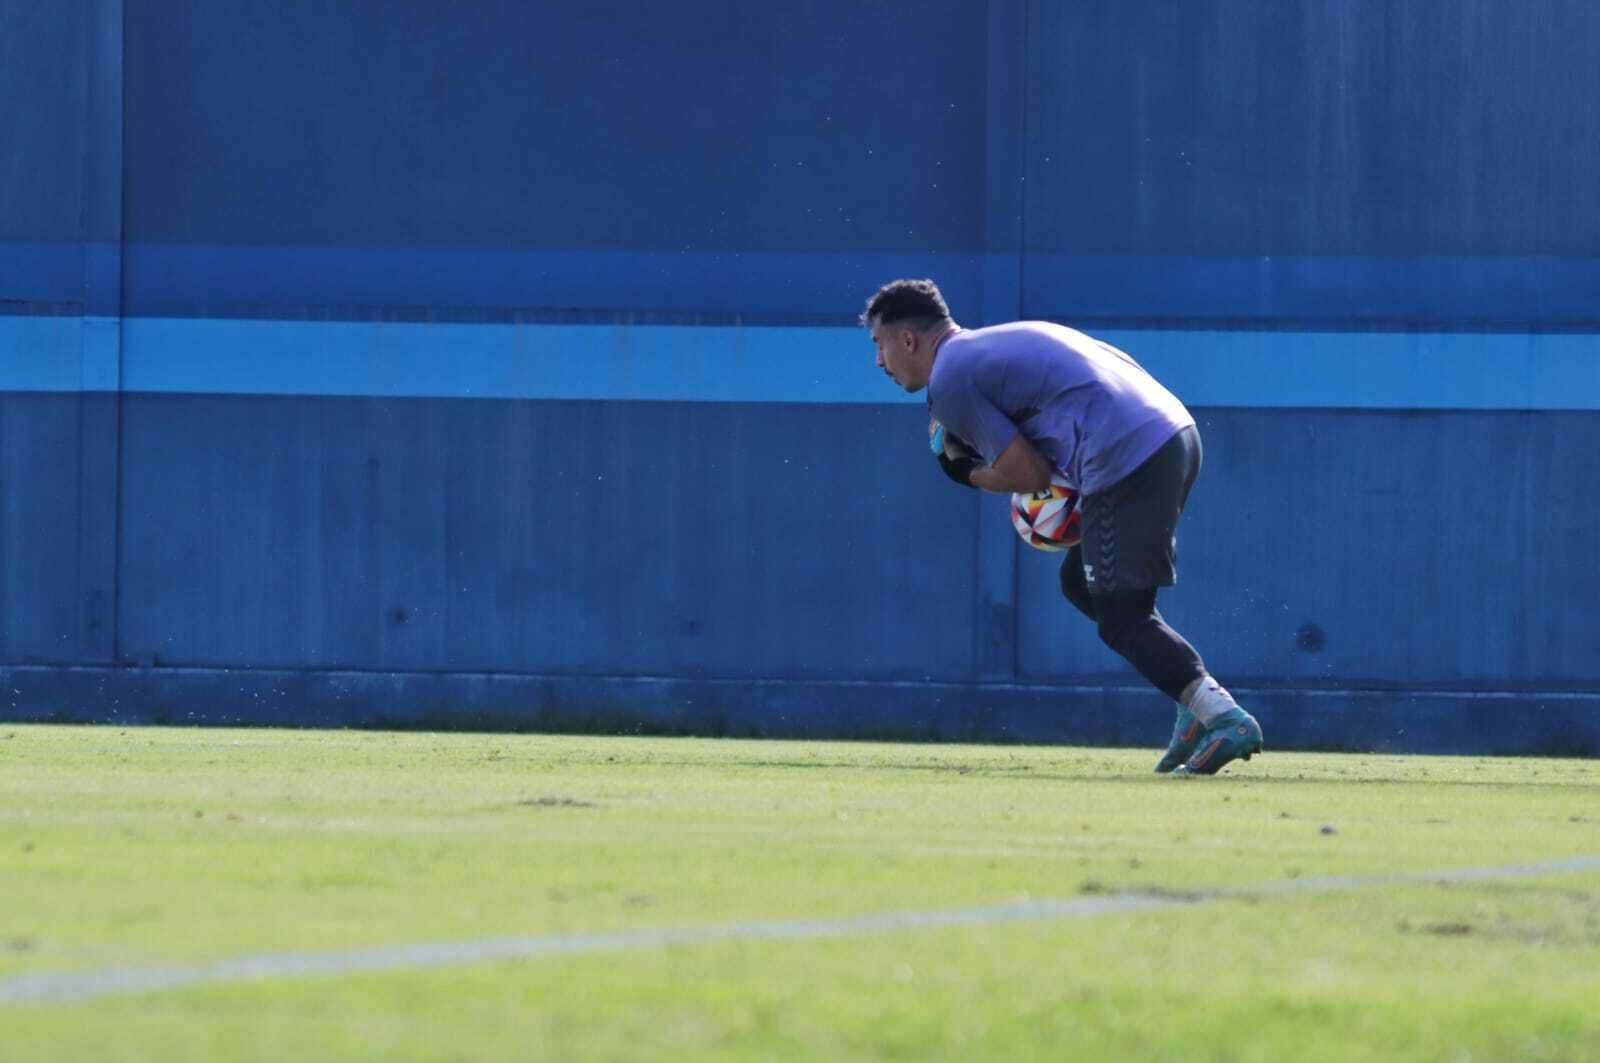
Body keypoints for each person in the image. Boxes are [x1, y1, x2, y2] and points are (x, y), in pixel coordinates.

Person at [862, 278, 1263, 775]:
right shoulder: (995, 342)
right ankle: (1193, 707)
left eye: (879, 345)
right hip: (1173, 435)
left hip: (1128, 456)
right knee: (1082, 585)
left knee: (1123, 617)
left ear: (907, 340)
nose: (879, 361)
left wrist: (965, 472)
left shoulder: (950, 380)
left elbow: (1028, 476)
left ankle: (1223, 718)